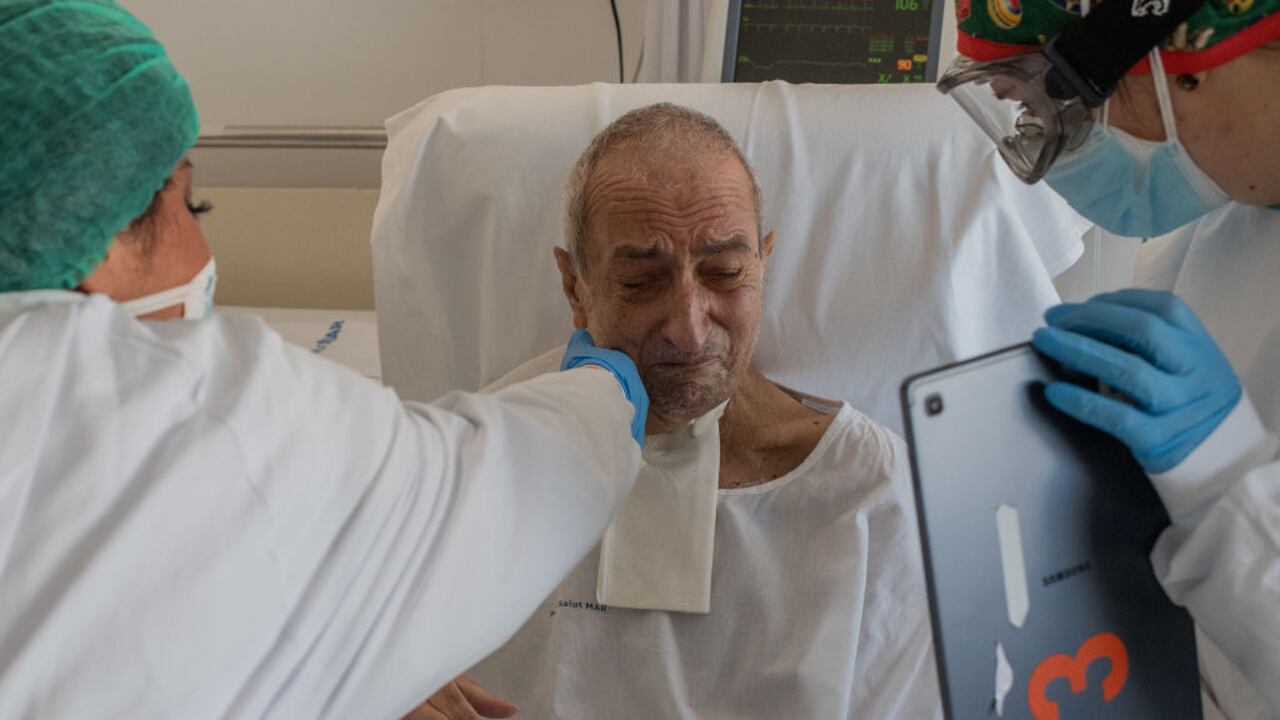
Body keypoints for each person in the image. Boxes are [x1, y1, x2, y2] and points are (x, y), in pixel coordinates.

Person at [0, 2, 651, 717]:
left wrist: (314, 655)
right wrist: (611, 382)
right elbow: (517, 485)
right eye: (194, 204)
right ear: (94, 233)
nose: (204, 249)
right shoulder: (212, 415)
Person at [410, 103, 940, 720]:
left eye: (725, 272)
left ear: (763, 266)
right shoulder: (472, 469)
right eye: (640, 282)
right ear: (574, 286)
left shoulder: (867, 492)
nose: (688, 330)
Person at [942, 0, 1280, 714]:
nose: (1050, 142)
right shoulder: (1216, 229)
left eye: (1048, 97)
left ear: (1184, 65)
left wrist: (1227, 485)